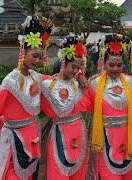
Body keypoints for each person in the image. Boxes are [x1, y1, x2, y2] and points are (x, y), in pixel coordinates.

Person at [0, 16, 54, 179]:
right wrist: (1, 135)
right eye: (34, 55)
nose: (37, 60)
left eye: (40, 56)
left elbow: (56, 79)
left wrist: (81, 74)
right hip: (14, 143)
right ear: (23, 51)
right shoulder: (10, 82)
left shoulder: (35, 77)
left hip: (33, 139)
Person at [81, 34, 132, 180]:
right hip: (104, 139)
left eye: (119, 65)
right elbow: (79, 102)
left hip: (129, 138)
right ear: (103, 63)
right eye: (111, 65)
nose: (115, 68)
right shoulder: (94, 84)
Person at [41, 36, 89, 180]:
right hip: (59, 133)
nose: (76, 71)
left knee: (79, 172)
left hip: (79, 131)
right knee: (57, 172)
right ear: (64, 62)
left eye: (79, 68)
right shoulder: (48, 84)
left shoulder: (79, 85)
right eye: (73, 67)